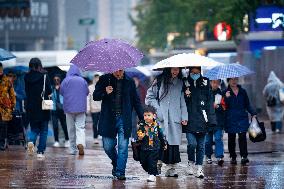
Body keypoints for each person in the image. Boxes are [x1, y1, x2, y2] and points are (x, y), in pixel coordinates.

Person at [93, 69, 144, 180]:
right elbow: (95, 96)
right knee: (108, 147)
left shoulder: (129, 81)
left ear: (124, 69)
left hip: (124, 119)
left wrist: (142, 118)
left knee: (123, 147)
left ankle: (120, 172)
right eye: (115, 70)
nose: (118, 73)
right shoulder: (104, 79)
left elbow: (136, 101)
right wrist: (105, 92)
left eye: (120, 70)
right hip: (108, 119)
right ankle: (116, 163)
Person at [145, 67, 188, 177]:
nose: (175, 72)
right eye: (173, 69)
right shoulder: (159, 81)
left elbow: (182, 101)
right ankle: (157, 165)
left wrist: (184, 116)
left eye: (177, 70)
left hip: (175, 119)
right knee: (160, 143)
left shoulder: (181, 83)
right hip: (161, 119)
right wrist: (158, 110)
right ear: (168, 70)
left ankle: (171, 169)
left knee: (173, 145)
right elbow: (149, 97)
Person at [183, 66, 216, 179]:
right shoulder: (185, 82)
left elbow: (209, 101)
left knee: (201, 146)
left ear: (200, 71)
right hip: (189, 119)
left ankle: (199, 167)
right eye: (193, 72)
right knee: (192, 144)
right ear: (189, 72)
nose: (195, 74)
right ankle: (191, 162)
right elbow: (181, 102)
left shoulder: (206, 82)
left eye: (197, 72)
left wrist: (211, 119)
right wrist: (186, 94)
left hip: (203, 119)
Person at [223, 77, 257, 165]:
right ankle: (233, 157)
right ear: (228, 81)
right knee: (231, 138)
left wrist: (253, 113)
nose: (234, 81)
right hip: (230, 118)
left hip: (242, 117)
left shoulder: (243, 91)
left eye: (235, 79)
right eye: (232, 79)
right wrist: (226, 98)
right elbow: (223, 107)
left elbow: (247, 104)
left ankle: (244, 156)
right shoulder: (225, 92)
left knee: (242, 137)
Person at [24, 58, 52, 159]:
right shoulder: (44, 76)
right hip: (43, 106)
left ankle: (31, 146)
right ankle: (40, 152)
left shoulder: (26, 77)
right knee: (44, 130)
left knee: (34, 129)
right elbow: (49, 90)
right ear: (39, 65)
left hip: (31, 107)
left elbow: (26, 92)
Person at [60, 65, 89, 156]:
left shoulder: (66, 80)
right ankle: (80, 143)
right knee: (80, 127)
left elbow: (61, 92)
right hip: (81, 108)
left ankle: (72, 149)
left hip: (69, 108)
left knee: (71, 129)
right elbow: (87, 92)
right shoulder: (82, 80)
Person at [137, 105, 167, 182]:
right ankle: (152, 171)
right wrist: (142, 135)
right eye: (145, 115)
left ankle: (152, 175)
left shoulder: (156, 125)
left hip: (154, 147)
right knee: (143, 162)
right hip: (144, 147)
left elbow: (161, 135)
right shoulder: (141, 125)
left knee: (152, 161)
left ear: (154, 116)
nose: (146, 117)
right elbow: (139, 135)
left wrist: (164, 144)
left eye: (149, 115)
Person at [205, 79, 225, 166]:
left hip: (218, 121)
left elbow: (225, 107)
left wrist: (218, 106)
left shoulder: (221, 94)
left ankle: (219, 156)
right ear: (210, 82)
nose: (215, 84)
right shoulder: (205, 93)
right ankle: (208, 156)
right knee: (207, 141)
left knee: (218, 138)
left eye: (217, 83)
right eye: (213, 82)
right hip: (207, 121)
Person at [0, 63, 16, 151]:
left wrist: (13, 106)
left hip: (5, 107)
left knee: (3, 125)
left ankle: (2, 143)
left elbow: (12, 94)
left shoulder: (7, 81)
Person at [51, 74, 69, 148]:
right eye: (55, 80)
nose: (56, 81)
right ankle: (56, 141)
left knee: (64, 125)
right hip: (54, 109)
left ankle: (67, 139)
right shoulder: (52, 88)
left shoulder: (63, 87)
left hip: (62, 109)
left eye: (57, 79)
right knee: (55, 126)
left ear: (60, 80)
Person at [87, 74, 102, 144]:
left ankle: (100, 134)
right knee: (95, 123)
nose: (97, 79)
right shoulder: (90, 87)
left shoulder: (102, 87)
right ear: (93, 78)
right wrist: (89, 108)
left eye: (98, 78)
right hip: (94, 109)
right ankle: (95, 137)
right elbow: (88, 98)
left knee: (101, 123)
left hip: (101, 109)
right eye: (96, 78)